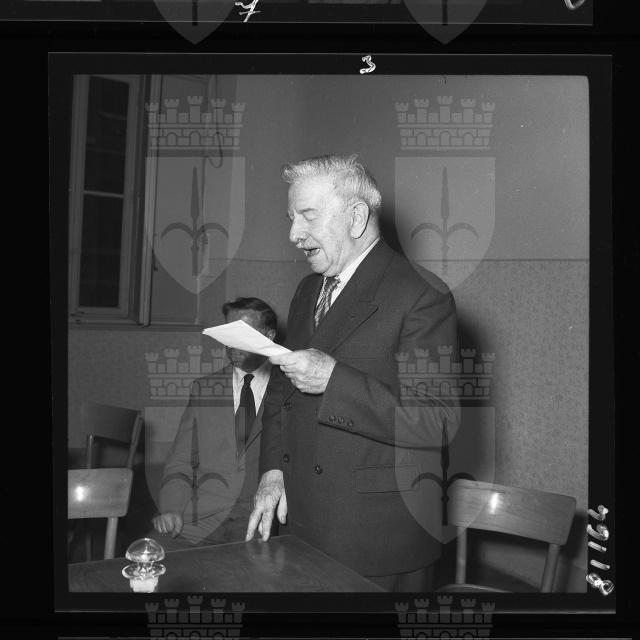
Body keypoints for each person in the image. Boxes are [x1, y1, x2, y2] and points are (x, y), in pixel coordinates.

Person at [246, 155, 459, 591]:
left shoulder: (422, 295)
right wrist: (272, 471)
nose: (293, 234)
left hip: (375, 539)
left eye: (307, 216)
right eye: (291, 218)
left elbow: (436, 421)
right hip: (301, 523)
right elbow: (282, 394)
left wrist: (334, 381)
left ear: (357, 216)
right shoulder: (308, 289)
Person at [151, 297, 277, 550]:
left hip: (260, 518)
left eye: (243, 333)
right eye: (228, 333)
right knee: (149, 559)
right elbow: (181, 461)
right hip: (199, 516)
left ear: (269, 336)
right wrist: (172, 508)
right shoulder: (204, 389)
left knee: (250, 572)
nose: (233, 343)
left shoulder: (289, 390)